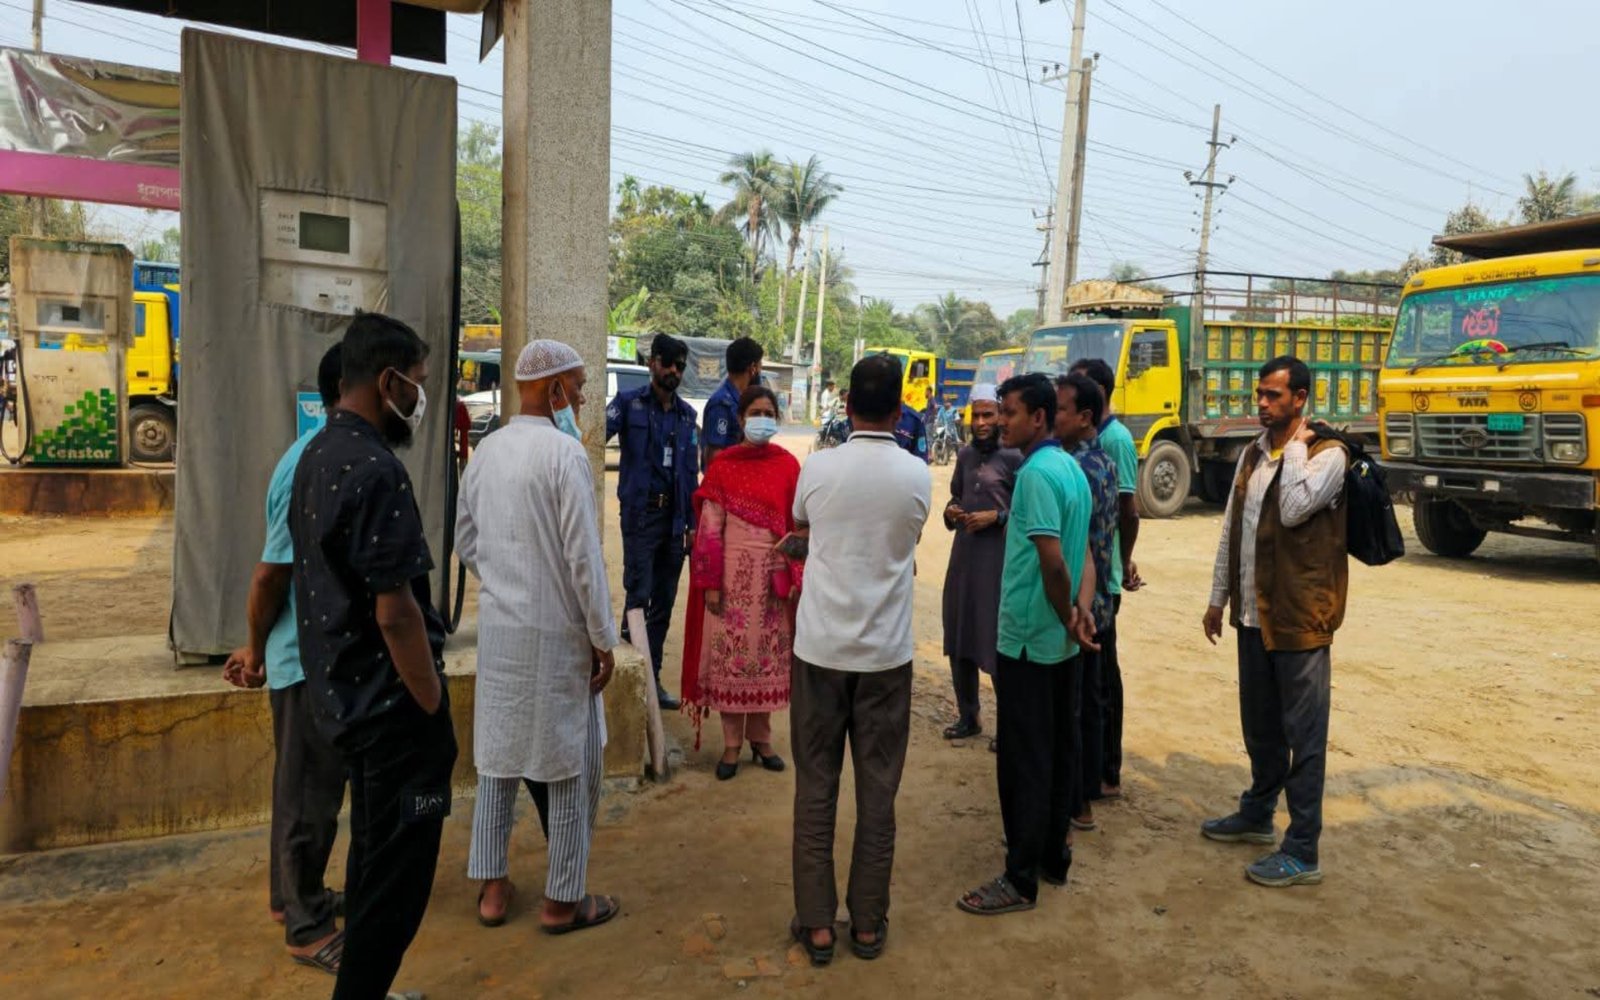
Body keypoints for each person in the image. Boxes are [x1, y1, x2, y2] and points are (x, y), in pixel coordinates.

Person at [290, 313, 457, 1000]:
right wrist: (432, 705)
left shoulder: (316, 454)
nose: (420, 397)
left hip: (344, 703)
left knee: (371, 859)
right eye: (417, 382)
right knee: (395, 886)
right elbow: (396, 611)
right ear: (389, 382)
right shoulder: (375, 470)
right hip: (394, 717)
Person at [456, 339, 621, 933]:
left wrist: (509, 577)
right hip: (557, 635)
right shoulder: (564, 455)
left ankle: (492, 890)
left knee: (498, 760)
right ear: (553, 390)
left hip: (502, 635)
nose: (581, 399)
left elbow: (466, 540)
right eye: (577, 388)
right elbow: (584, 560)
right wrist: (602, 637)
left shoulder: (487, 451)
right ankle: (562, 901)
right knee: (569, 764)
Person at [789, 353, 931, 966]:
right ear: (900, 411)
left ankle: (818, 924)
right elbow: (907, 537)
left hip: (820, 650)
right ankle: (868, 924)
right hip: (885, 658)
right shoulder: (917, 475)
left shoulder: (817, 468)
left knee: (816, 787)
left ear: (846, 406)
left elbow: (803, 522)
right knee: (878, 793)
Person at [222, 344, 348, 976]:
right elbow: (270, 573)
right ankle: (307, 928)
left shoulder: (312, 454)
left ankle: (291, 898)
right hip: (303, 658)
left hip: (306, 654)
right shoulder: (310, 462)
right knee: (309, 797)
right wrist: (256, 648)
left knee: (300, 787)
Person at [1201, 355, 1347, 888]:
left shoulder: (1329, 455)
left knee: (1304, 737)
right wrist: (1218, 598)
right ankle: (1258, 812)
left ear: (1300, 399)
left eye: (1273, 396)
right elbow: (1232, 529)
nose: (1262, 403)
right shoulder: (1251, 453)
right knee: (1260, 726)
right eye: (1259, 394)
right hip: (1252, 614)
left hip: (1300, 620)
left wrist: (1298, 447)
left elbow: (1292, 509)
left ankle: (1303, 849)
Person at [958, 373, 1096, 917]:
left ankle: (1019, 878)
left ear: (1037, 418)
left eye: (1010, 412)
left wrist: (1066, 614)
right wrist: (1081, 612)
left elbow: (1053, 559)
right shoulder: (1070, 467)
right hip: (1059, 641)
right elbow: (1087, 553)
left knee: (1023, 760)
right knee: (1059, 749)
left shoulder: (1037, 473)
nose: (1001, 421)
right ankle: (1052, 856)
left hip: (1029, 640)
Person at [681, 385, 802, 780]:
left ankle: (762, 740)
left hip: (772, 584)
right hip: (731, 581)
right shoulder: (724, 466)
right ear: (741, 419)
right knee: (731, 662)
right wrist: (711, 583)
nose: (762, 419)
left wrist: (794, 572)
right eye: (755, 413)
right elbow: (709, 529)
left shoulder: (788, 466)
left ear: (777, 419)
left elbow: (798, 525)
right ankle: (732, 745)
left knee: (767, 659)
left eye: (768, 413)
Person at [607, 333, 700, 709]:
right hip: (641, 518)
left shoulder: (687, 416)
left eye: (680, 366)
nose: (674, 371)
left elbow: (690, 476)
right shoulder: (628, 404)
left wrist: (692, 525)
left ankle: (652, 681)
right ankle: (627, 683)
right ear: (652, 363)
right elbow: (594, 440)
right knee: (638, 598)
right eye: (668, 363)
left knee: (663, 603)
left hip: (674, 522)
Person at [1070, 358, 1141, 800]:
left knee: (1101, 684)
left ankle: (1106, 772)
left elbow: (1127, 510)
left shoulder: (1113, 441)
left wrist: (1124, 561)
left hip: (1103, 579)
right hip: (1098, 573)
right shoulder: (1089, 444)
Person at [1054, 373, 1119, 836]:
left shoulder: (1076, 468)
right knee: (1090, 700)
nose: (1054, 417)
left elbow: (1073, 544)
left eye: (1061, 409)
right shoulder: (1103, 461)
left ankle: (1078, 800)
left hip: (1081, 603)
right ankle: (1090, 788)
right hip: (1097, 601)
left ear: (1084, 417)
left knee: (1074, 705)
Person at [939, 384, 1022, 741]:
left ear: (1001, 416)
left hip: (998, 564)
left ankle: (1009, 727)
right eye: (977, 416)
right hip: (964, 560)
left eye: (989, 415)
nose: (982, 422)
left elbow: (1026, 513)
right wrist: (951, 511)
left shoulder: (1015, 457)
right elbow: (955, 497)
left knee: (995, 638)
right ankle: (968, 716)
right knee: (960, 634)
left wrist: (997, 517)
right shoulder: (965, 455)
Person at [702, 336, 764, 466]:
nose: (760, 372)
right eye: (760, 367)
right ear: (752, 368)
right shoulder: (722, 404)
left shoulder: (743, 400)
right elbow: (714, 458)